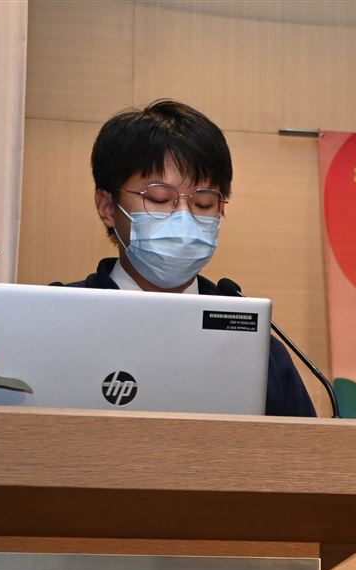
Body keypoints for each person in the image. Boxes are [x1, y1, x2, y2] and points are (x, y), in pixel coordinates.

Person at [59, 99, 316, 416]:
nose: (183, 216)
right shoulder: (54, 320)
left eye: (203, 202)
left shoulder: (256, 347)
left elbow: (304, 444)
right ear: (108, 207)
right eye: (159, 198)